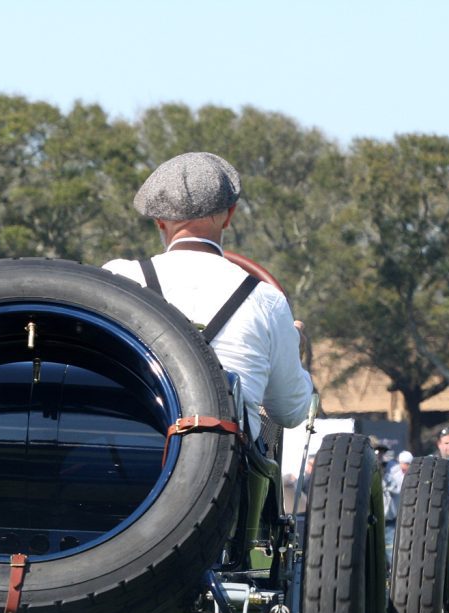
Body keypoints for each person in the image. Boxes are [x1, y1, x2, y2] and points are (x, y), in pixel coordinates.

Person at [102, 151, 313, 437]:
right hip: (230, 469)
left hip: (132, 454)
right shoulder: (266, 299)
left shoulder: (118, 278)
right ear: (230, 216)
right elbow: (290, 412)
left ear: (159, 221)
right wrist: (292, 342)